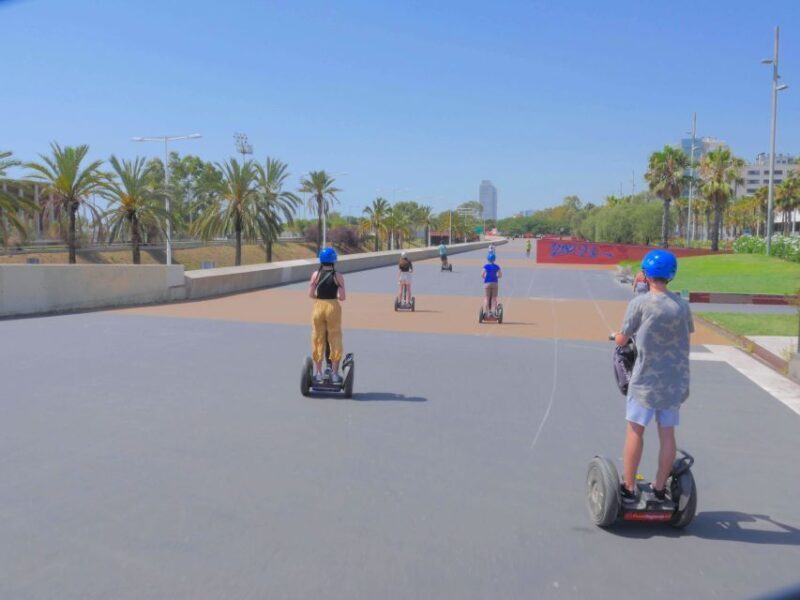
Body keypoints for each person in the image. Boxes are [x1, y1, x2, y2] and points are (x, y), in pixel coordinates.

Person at [613, 250, 693, 503]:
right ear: (671, 275)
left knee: (636, 430)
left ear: (646, 275)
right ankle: (659, 487)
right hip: (675, 381)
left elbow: (623, 338)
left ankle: (628, 486)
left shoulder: (640, 303)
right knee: (667, 433)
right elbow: (685, 332)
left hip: (647, 380)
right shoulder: (682, 305)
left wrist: (617, 336)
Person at [307, 247, 347, 384]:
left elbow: (311, 294)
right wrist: (334, 294)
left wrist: (320, 296)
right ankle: (334, 374)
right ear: (334, 260)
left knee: (318, 338)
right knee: (334, 337)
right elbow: (342, 297)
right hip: (332, 307)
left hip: (318, 306)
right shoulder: (338, 276)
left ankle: (318, 373)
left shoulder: (315, 275)